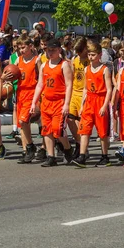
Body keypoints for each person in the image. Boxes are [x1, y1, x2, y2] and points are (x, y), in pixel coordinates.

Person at [30, 38, 74, 167]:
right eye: (48, 50)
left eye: (53, 50)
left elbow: (69, 85)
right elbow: (40, 85)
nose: (50, 53)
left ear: (59, 50)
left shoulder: (64, 65)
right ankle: (51, 156)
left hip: (59, 102)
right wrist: (34, 102)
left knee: (58, 129)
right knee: (46, 130)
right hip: (46, 102)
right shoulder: (44, 65)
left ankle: (67, 148)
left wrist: (66, 103)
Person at [72, 42, 113, 168]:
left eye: (93, 55)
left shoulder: (104, 69)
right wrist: (83, 105)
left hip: (100, 100)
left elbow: (109, 89)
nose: (90, 57)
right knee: (84, 130)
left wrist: (105, 106)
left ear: (100, 55)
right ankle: (82, 156)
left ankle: (105, 156)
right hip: (89, 100)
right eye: (89, 54)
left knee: (102, 132)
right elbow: (85, 88)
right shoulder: (86, 69)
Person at [13, 37, 41, 164]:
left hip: (32, 93)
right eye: (19, 48)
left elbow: (41, 79)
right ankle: (26, 151)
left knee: (23, 121)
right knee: (22, 125)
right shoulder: (18, 60)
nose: (21, 50)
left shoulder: (37, 60)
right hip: (20, 93)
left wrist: (39, 97)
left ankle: (30, 146)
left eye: (23, 47)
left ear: (30, 46)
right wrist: (5, 77)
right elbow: (13, 74)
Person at [68, 37, 90, 158]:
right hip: (75, 93)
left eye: (80, 50)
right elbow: (72, 77)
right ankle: (79, 143)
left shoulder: (90, 60)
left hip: (85, 93)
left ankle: (83, 148)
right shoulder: (74, 59)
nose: (78, 53)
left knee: (82, 123)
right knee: (70, 119)